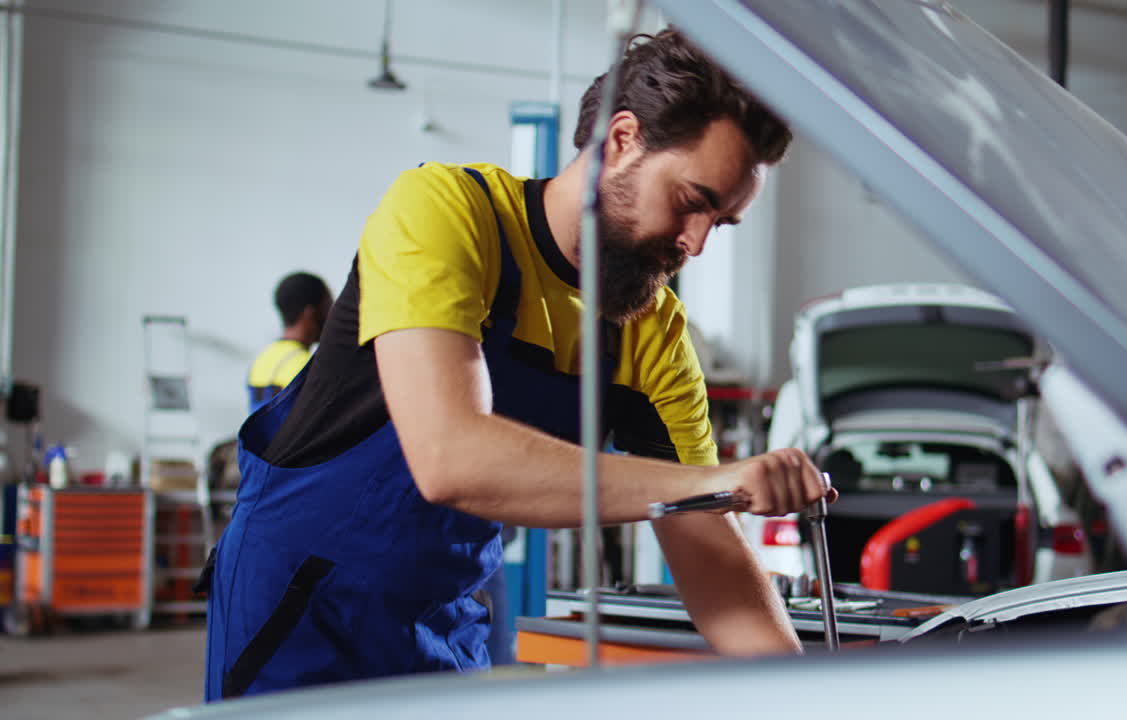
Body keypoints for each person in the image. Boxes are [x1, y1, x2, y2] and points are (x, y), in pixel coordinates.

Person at [204, 28, 832, 700]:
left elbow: (711, 553)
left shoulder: (650, 333)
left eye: (722, 224)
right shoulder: (447, 213)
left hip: (437, 624)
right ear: (622, 140)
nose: (696, 244)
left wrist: (808, 696)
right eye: (691, 202)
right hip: (300, 612)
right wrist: (709, 483)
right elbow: (451, 457)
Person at [246, 272, 332, 412]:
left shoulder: (260, 360)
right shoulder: (307, 366)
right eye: (328, 306)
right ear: (310, 314)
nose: (332, 316)